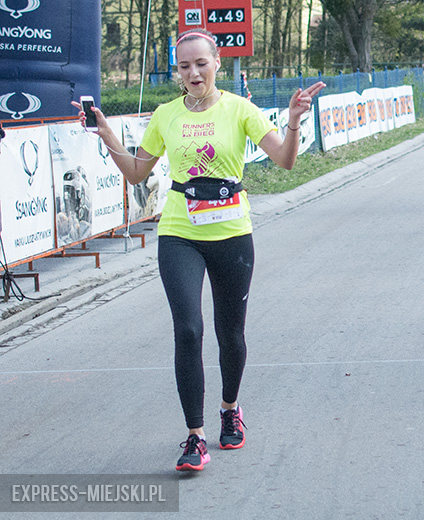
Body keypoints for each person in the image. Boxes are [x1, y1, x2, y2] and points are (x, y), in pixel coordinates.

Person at [72, 28, 326, 472]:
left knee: (231, 333)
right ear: (177, 71)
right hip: (179, 231)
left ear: (217, 63)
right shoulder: (166, 115)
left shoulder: (240, 109)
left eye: (200, 64)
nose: (193, 73)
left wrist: (293, 119)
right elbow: (136, 173)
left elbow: (285, 161)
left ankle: (230, 407)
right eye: (184, 66)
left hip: (231, 233)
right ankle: (195, 436)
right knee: (188, 329)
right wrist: (105, 130)